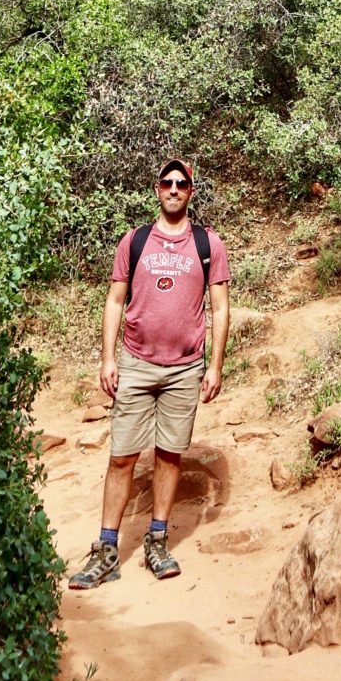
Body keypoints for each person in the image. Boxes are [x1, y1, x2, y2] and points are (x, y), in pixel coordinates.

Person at [67, 158, 230, 587]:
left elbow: (219, 308)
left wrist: (215, 365)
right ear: (157, 190)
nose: (174, 188)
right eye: (167, 182)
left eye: (182, 183)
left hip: (185, 368)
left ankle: (157, 541)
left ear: (191, 191)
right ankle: (106, 551)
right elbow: (114, 300)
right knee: (122, 456)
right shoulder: (135, 241)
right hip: (137, 363)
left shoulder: (208, 243)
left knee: (169, 454)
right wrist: (108, 358)